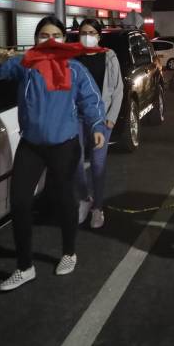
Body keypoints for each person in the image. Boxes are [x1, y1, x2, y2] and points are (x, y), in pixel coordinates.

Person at [0, 16, 106, 292]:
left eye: (56, 35)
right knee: (21, 202)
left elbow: (91, 100)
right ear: (35, 39)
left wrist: (97, 125)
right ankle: (25, 267)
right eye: (43, 35)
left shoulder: (74, 68)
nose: (49, 40)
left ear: (64, 39)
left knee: (64, 200)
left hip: (65, 144)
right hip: (32, 145)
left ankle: (69, 252)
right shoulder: (26, 63)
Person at [75, 18, 123, 229]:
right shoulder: (73, 57)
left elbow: (118, 89)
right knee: (75, 163)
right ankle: (85, 199)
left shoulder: (109, 56)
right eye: (84, 32)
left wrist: (111, 118)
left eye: (92, 32)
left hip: (101, 119)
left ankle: (98, 208)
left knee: (98, 164)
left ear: (98, 35)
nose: (87, 36)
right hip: (76, 117)